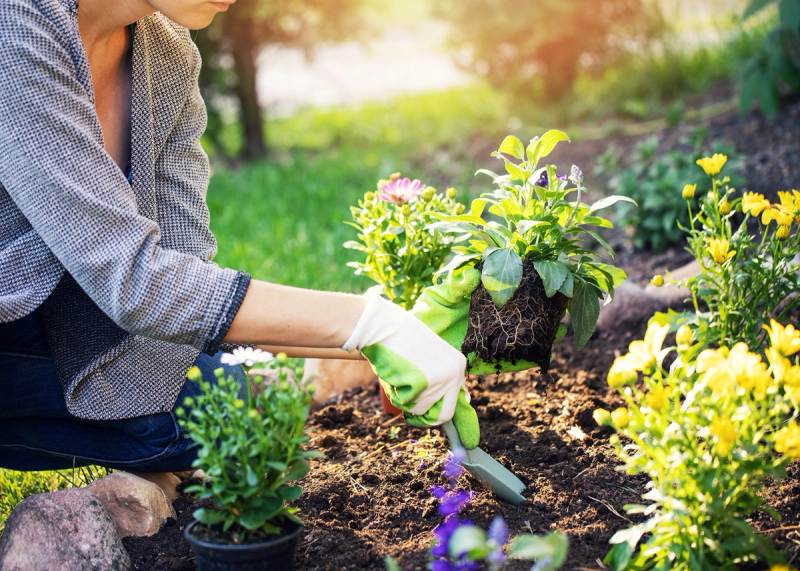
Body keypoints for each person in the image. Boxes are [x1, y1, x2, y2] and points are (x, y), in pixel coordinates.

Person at [0, 0, 472, 472]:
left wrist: (388, 338)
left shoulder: (167, 51)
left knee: (222, 403)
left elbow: (183, 267)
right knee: (211, 413)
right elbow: (135, 282)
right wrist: (366, 322)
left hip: (69, 313)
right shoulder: (16, 25)